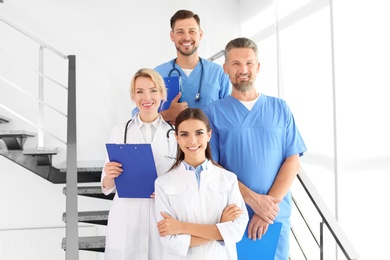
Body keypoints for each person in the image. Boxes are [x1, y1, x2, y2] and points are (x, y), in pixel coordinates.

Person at [204, 37, 307, 260]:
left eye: (249, 63)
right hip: (234, 214)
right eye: (236, 64)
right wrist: (253, 200)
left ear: (258, 67)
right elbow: (213, 166)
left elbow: (293, 160)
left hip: (274, 214)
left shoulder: (280, 108)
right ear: (225, 68)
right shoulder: (213, 112)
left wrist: (266, 209)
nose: (243, 70)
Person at [101, 68, 177, 260]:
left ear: (162, 94)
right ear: (133, 96)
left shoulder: (175, 134)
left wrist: (168, 188)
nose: (147, 97)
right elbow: (106, 187)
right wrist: (109, 174)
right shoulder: (120, 132)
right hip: (128, 216)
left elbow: (183, 180)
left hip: (161, 214)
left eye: (153, 90)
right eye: (140, 91)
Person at [154, 108, 249, 260]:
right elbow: (170, 241)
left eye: (199, 133)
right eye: (184, 134)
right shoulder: (163, 184)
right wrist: (220, 228)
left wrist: (182, 227)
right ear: (176, 137)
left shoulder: (228, 179)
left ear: (209, 135)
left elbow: (236, 230)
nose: (192, 141)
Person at [133, 9, 231, 123]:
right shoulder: (157, 74)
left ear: (200, 34)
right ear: (172, 36)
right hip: (168, 140)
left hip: (209, 141)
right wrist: (165, 115)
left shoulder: (218, 73)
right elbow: (137, 117)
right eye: (180, 32)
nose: (186, 37)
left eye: (192, 31)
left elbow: (228, 116)